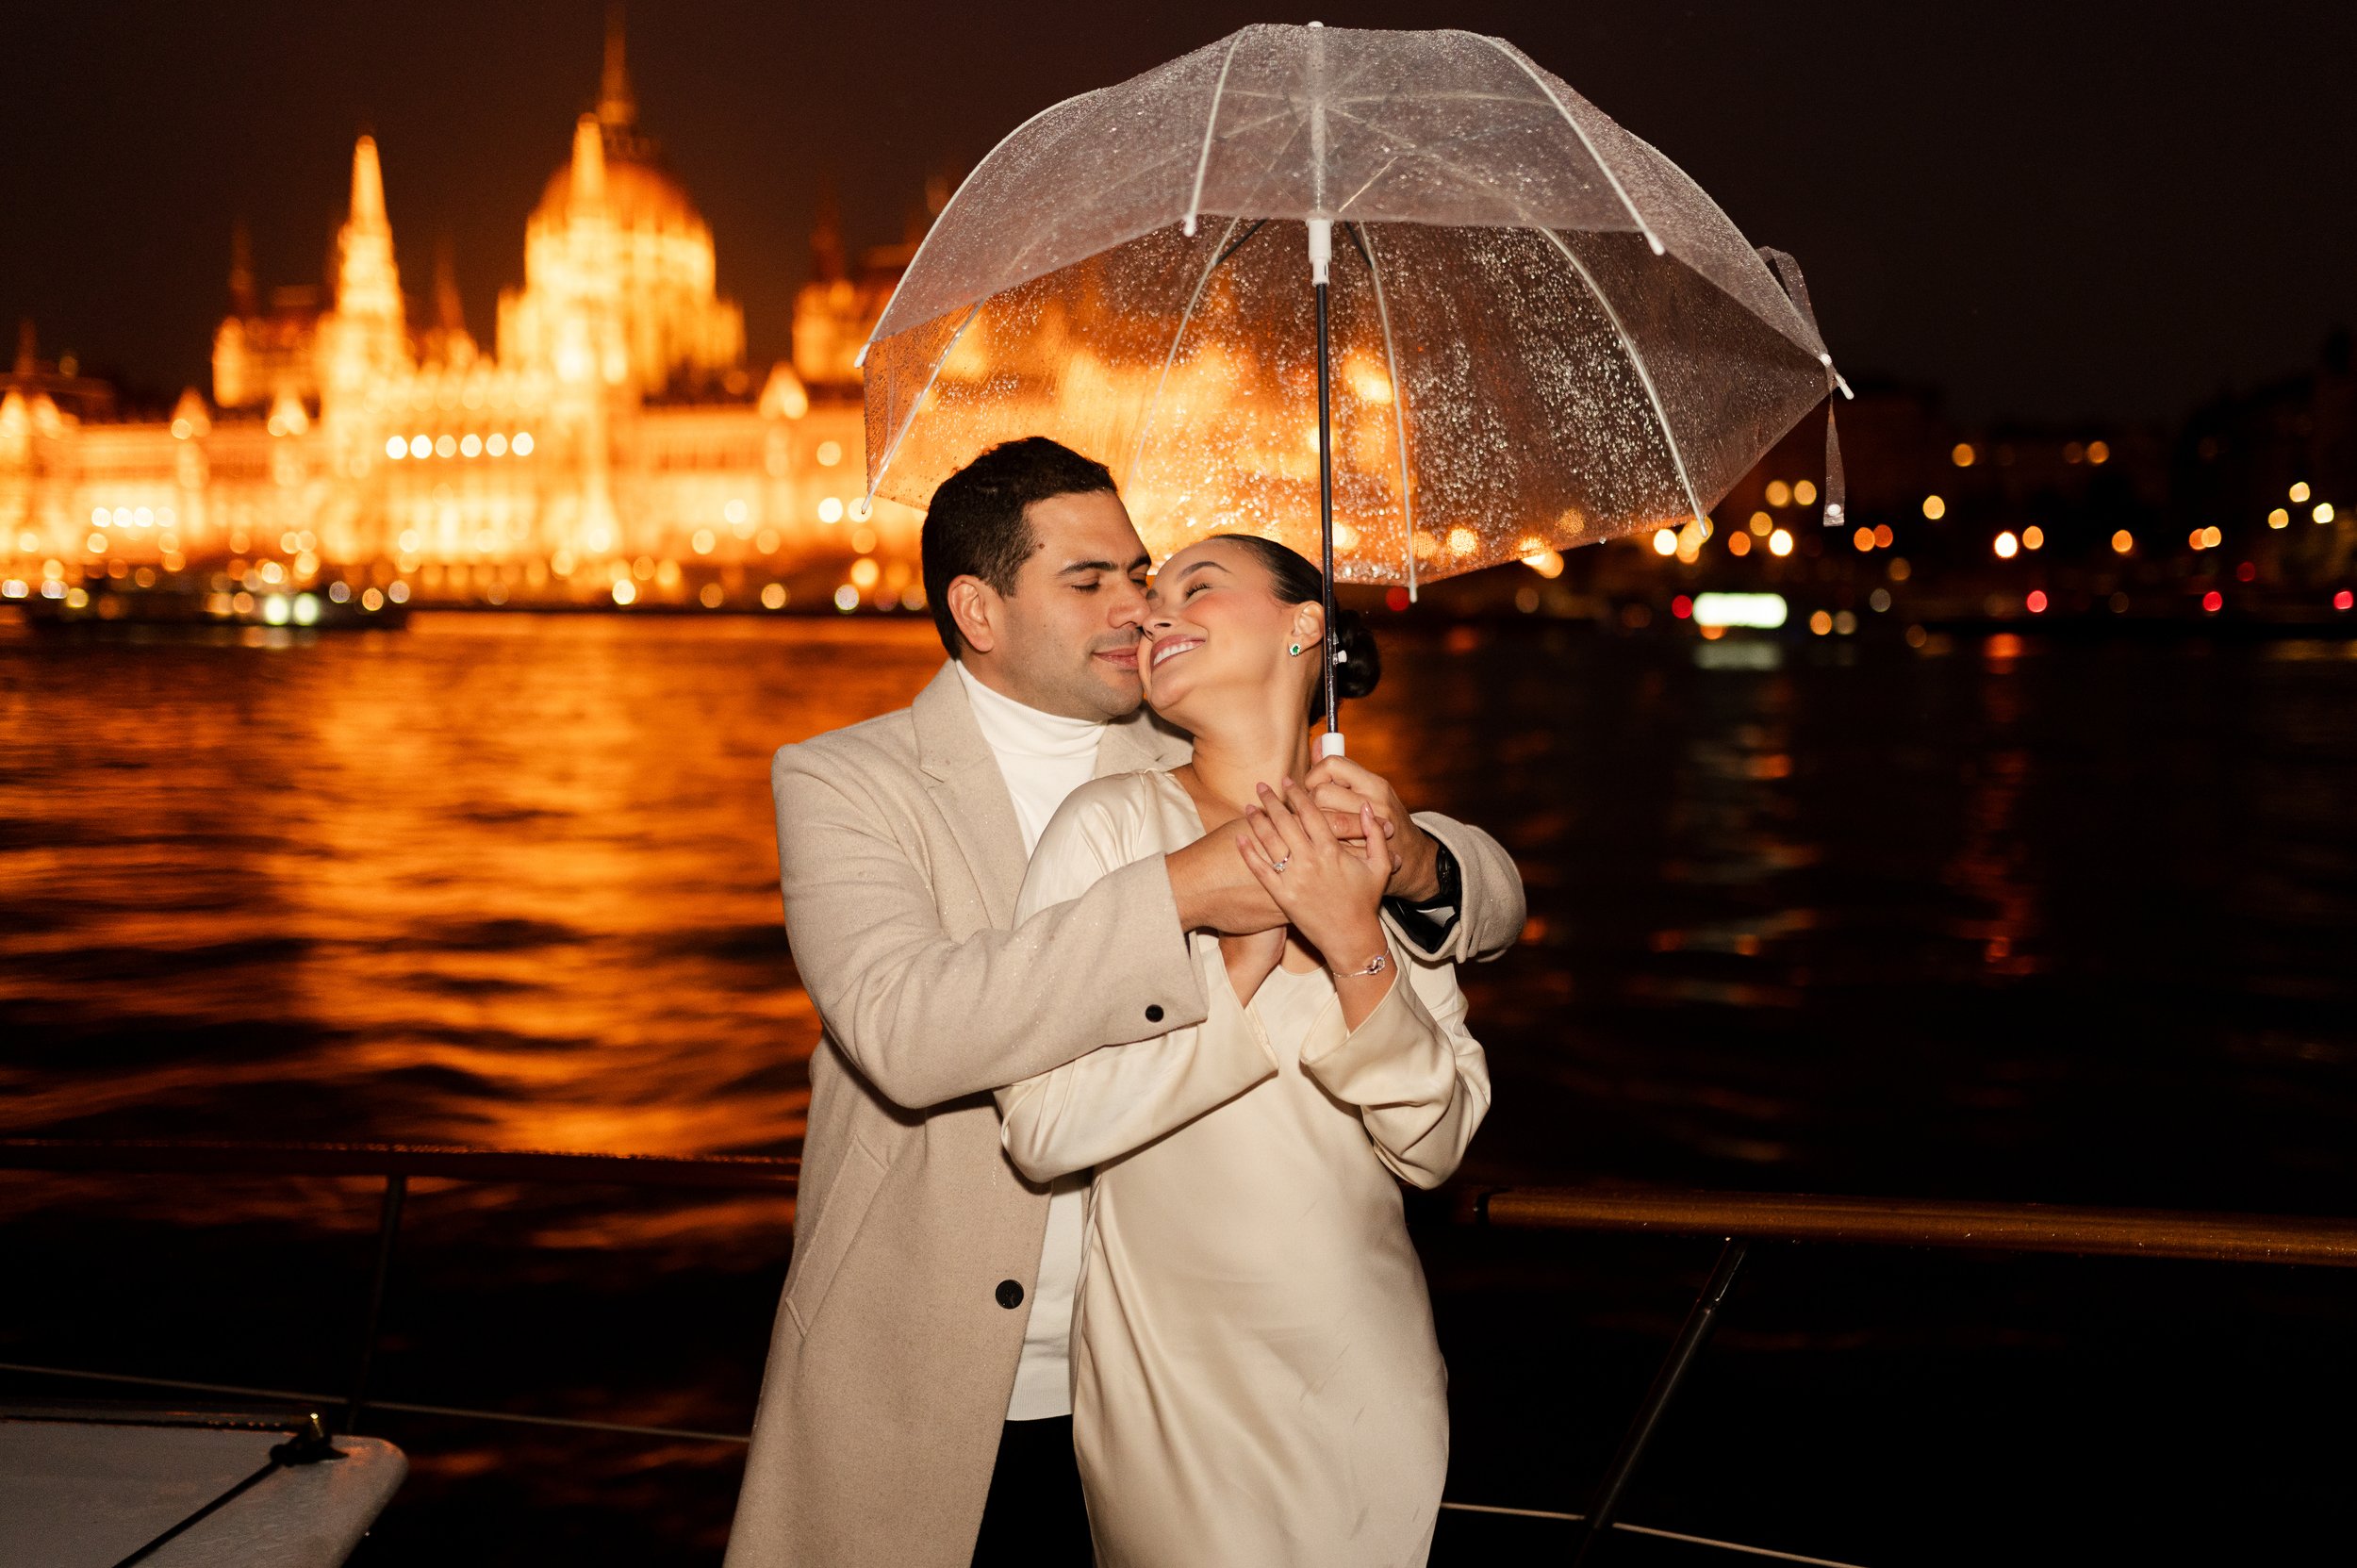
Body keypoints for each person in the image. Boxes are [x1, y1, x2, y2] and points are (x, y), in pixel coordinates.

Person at [722, 437, 1525, 1568]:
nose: (1137, 607)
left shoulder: (1189, 730)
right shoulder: (848, 778)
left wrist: (1415, 863)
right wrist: (1184, 892)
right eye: (1088, 579)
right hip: (938, 1363)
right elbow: (904, 1032)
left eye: (1141, 574)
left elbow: (1486, 898)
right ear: (979, 610)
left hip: (1181, 1360)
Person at [997, 535, 1485, 1567]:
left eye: (1198, 587)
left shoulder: (1381, 842)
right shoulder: (1110, 829)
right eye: (1152, 597)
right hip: (1173, 1389)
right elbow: (1040, 1127)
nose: (1152, 613)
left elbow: (1435, 1145)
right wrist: (1238, 966)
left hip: (1365, 1374)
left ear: (1305, 625)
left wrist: (1354, 941)